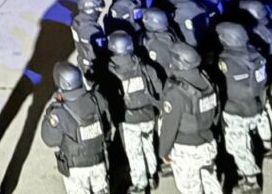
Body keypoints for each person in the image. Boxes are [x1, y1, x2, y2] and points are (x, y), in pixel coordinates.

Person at [158, 43, 223, 194]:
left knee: (190, 189)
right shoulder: (207, 80)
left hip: (186, 149)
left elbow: (169, 126)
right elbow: (217, 110)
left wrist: (164, 152)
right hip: (207, 141)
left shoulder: (176, 92)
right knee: (210, 182)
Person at [216, 22, 272, 193]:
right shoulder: (255, 54)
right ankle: (247, 165)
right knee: (246, 140)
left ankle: (250, 180)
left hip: (236, 110)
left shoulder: (227, 60)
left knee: (237, 146)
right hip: (254, 105)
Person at [40, 62, 112, 194]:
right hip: (98, 160)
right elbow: (107, 125)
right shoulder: (96, 99)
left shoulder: (59, 112)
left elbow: (49, 140)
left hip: (76, 169)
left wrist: (49, 114)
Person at [106, 31, 160, 194]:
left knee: (134, 152)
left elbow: (110, 98)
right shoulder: (143, 66)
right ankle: (152, 175)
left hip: (129, 120)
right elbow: (157, 88)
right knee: (148, 144)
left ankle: (140, 184)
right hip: (148, 114)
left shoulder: (112, 71)